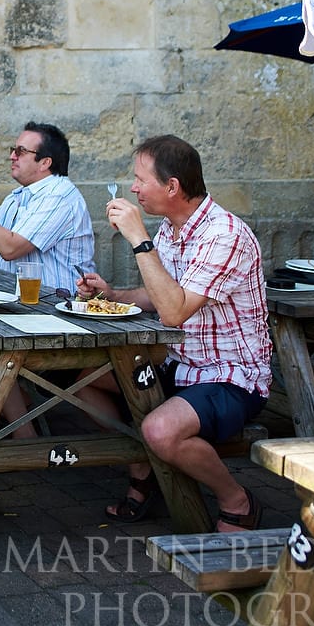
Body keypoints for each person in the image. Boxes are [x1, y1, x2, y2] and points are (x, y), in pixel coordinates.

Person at [74, 135, 272, 533]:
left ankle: (238, 500)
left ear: (172, 187)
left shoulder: (224, 235)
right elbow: (164, 292)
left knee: (160, 430)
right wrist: (113, 293)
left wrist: (137, 238)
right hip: (179, 365)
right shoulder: (172, 229)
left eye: (139, 179)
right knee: (83, 386)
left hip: (231, 376)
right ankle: (143, 472)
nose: (132, 188)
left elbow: (174, 310)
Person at [0, 121, 96, 291]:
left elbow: (10, 249)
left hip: (54, 307)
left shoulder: (59, 195)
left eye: (20, 151)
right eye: (13, 150)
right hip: (19, 304)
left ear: (45, 163)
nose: (12, 156)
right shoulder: (17, 196)